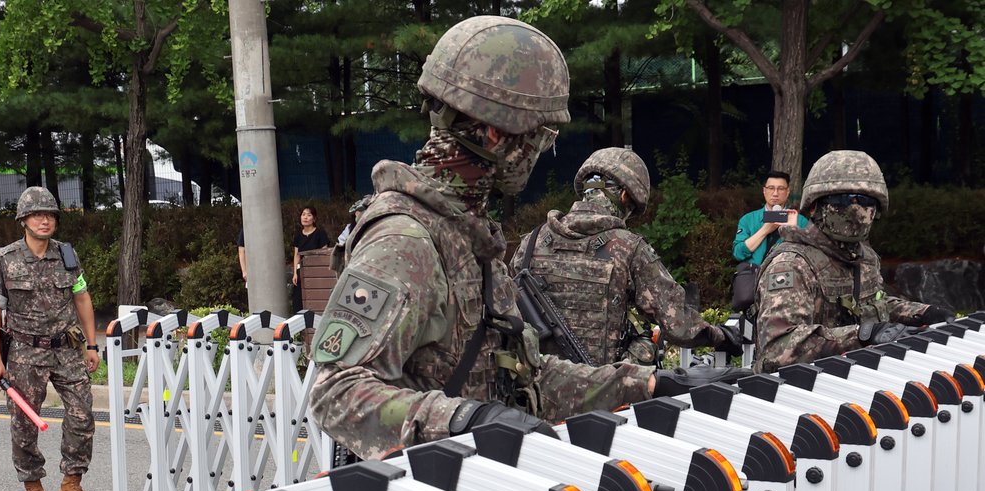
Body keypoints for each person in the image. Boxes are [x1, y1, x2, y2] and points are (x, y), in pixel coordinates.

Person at [308, 15, 745, 461]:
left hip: (470, 489)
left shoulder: (468, 234)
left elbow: (525, 378)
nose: (539, 151)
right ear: (498, 135)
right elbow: (335, 394)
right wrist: (463, 421)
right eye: (541, 136)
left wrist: (647, 384)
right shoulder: (406, 240)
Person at [517, 148, 743, 365]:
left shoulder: (531, 242)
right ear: (624, 195)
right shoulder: (627, 248)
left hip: (535, 391)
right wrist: (721, 336)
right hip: (603, 390)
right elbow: (678, 324)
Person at [753, 151, 953, 373]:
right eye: (843, 201)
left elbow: (875, 303)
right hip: (797, 393)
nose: (857, 211)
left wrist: (923, 313)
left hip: (857, 382)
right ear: (814, 207)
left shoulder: (864, 258)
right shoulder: (792, 265)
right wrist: (864, 335)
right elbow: (778, 348)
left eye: (866, 201)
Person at [0, 186, 100, 491]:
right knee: (23, 422)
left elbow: (82, 298)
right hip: (24, 353)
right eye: (37, 215)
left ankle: (71, 484)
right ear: (23, 220)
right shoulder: (5, 260)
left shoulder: (66, 255)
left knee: (82, 415)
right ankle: (32, 487)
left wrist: (92, 345)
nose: (44, 220)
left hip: (67, 350)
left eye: (49, 215)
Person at [733, 170, 806, 267]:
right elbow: (738, 254)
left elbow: (809, 254)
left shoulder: (800, 220)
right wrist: (765, 230)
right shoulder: (748, 219)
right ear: (764, 191)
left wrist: (792, 231)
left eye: (781, 189)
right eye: (771, 188)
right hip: (754, 274)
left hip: (787, 274)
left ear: (788, 192)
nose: (775, 193)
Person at [290, 205, 330, 314]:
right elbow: (296, 255)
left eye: (309, 215)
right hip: (301, 270)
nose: (305, 217)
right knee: (298, 298)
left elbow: (324, 253)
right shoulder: (298, 235)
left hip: (316, 271)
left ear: (314, 219)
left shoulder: (320, 233)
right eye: (303, 215)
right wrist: (295, 273)